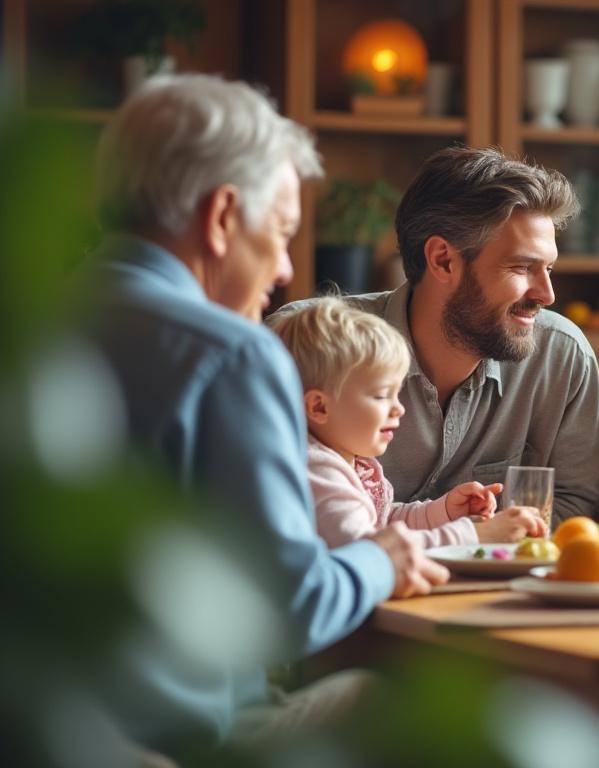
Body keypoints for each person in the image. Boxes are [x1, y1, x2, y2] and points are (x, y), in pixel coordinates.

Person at [84, 74, 447, 755]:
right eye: (280, 233)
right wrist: (382, 559)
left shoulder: (37, 318)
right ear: (222, 217)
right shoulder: (228, 354)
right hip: (188, 741)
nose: (283, 269)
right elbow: (291, 608)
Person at [276, 146, 599, 527]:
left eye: (547, 268)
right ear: (443, 260)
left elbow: (576, 508)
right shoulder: (304, 345)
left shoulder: (561, 356)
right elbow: (251, 502)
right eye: (521, 267)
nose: (546, 295)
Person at [269, 297, 548, 548]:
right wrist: (475, 535)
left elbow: (385, 520)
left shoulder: (354, 464)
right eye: (381, 396)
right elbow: (372, 550)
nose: (398, 409)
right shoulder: (316, 470)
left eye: (396, 393)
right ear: (319, 407)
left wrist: (445, 511)